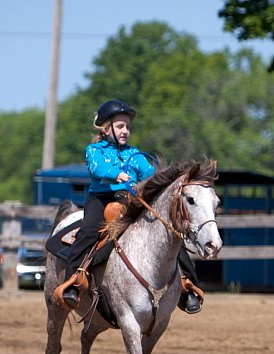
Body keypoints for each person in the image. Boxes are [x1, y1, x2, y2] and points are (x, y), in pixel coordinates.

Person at [58, 99, 202, 313]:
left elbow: (151, 175)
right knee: (88, 231)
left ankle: (188, 285)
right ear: (106, 129)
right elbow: (97, 169)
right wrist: (117, 174)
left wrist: (165, 181)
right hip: (102, 199)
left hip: (130, 201)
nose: (125, 131)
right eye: (120, 126)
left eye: (127, 127)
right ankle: (73, 281)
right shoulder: (94, 150)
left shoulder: (134, 154)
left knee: (169, 233)